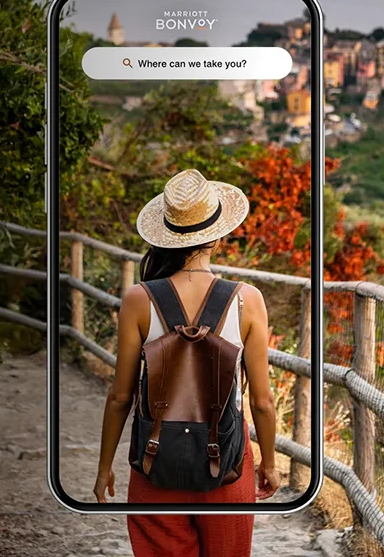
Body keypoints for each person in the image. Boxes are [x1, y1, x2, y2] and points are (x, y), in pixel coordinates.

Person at [93, 168, 280, 557]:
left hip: (155, 459)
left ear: (166, 235)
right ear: (218, 236)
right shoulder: (247, 300)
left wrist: (104, 466)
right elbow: (262, 401)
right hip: (227, 460)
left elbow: (120, 396)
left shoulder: (138, 299)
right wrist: (269, 463)